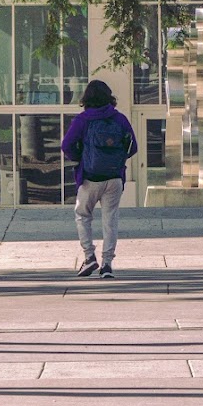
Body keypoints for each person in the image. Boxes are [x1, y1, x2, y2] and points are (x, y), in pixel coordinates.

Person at [61, 79, 137, 278]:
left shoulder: (83, 119)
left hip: (90, 178)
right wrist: (116, 160)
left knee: (83, 215)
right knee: (110, 220)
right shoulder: (119, 118)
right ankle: (107, 264)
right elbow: (133, 147)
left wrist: (81, 158)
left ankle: (89, 257)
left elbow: (66, 145)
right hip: (114, 178)